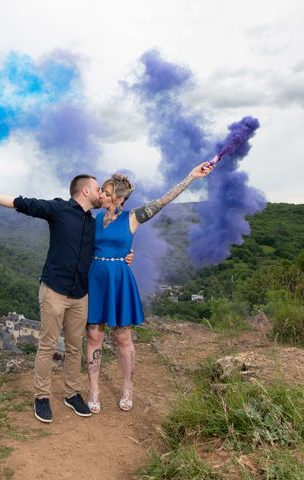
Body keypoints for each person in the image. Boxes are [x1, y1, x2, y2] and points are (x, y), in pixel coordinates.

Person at [0, 176, 131, 423]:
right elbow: (20, 203)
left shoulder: (93, 221)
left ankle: (72, 394)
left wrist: (128, 256)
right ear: (85, 191)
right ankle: (41, 397)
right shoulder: (59, 209)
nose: (101, 193)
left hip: (80, 294)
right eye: (97, 189)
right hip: (54, 291)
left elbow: (109, 246)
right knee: (48, 346)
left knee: (75, 347)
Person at [85, 159, 215, 414]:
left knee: (122, 338)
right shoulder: (93, 220)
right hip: (96, 279)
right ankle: (93, 390)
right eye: (103, 190)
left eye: (108, 193)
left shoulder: (132, 218)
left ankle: (127, 387)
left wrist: (191, 176)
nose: (103, 194)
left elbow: (163, 201)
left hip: (119, 281)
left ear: (120, 199)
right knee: (93, 336)